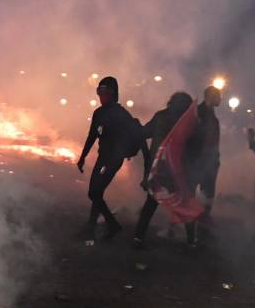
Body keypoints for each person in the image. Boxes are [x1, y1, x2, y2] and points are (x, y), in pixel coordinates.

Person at [77, 76, 148, 240]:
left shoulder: (121, 114)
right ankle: (92, 227)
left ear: (113, 94)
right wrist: (82, 157)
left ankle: (111, 225)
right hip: (103, 158)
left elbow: (139, 135)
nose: (102, 96)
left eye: (105, 93)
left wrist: (146, 166)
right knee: (96, 192)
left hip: (113, 160)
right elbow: (92, 136)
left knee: (94, 192)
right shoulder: (99, 113)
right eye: (99, 92)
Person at [133, 91, 196, 247]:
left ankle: (138, 238)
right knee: (185, 205)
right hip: (177, 170)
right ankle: (191, 242)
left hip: (159, 169)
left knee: (150, 204)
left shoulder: (161, 116)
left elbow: (144, 133)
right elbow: (194, 149)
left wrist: (135, 127)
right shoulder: (188, 122)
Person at [185, 86, 223, 241]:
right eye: (218, 96)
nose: (220, 99)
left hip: (210, 163)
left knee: (207, 199)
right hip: (196, 162)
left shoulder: (212, 117)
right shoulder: (197, 113)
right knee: (191, 199)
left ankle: (203, 231)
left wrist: (216, 160)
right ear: (209, 96)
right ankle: (190, 235)